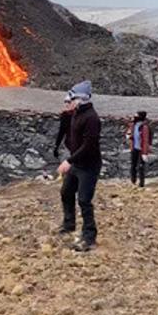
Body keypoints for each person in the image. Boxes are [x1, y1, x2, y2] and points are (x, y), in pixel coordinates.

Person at [57, 80, 102, 252]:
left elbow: (89, 145)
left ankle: (89, 237)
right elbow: (71, 133)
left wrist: (69, 161)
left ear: (82, 99)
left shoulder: (92, 118)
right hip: (77, 163)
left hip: (89, 166)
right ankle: (69, 225)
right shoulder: (76, 113)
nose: (70, 101)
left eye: (73, 98)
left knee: (84, 200)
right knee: (66, 192)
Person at [126, 111, 152, 187]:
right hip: (134, 147)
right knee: (133, 165)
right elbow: (129, 132)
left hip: (141, 149)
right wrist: (129, 136)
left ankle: (141, 183)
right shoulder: (133, 125)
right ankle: (133, 180)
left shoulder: (145, 127)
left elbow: (146, 140)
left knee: (141, 166)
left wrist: (145, 152)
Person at [53, 93, 75, 159]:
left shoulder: (80, 115)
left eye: (69, 102)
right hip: (69, 145)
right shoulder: (65, 115)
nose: (67, 104)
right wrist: (56, 146)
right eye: (66, 102)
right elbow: (61, 132)